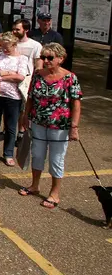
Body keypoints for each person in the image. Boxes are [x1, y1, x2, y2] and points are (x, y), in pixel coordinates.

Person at [18, 43, 81, 209]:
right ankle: (35, 185)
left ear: (60, 59)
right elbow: (30, 97)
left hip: (59, 126)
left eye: (50, 57)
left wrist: (74, 126)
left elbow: (76, 103)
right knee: (37, 155)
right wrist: (25, 116)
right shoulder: (38, 75)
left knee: (56, 159)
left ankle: (55, 193)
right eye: (43, 57)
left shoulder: (70, 78)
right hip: (38, 122)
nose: (45, 60)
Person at [0, 32, 31, 167]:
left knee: (10, 126)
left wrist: (1, 75)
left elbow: (20, 77)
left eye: (7, 47)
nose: (5, 50)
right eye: (2, 47)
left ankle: (8, 153)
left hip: (13, 97)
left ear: (14, 45)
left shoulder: (22, 59)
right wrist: (10, 74)